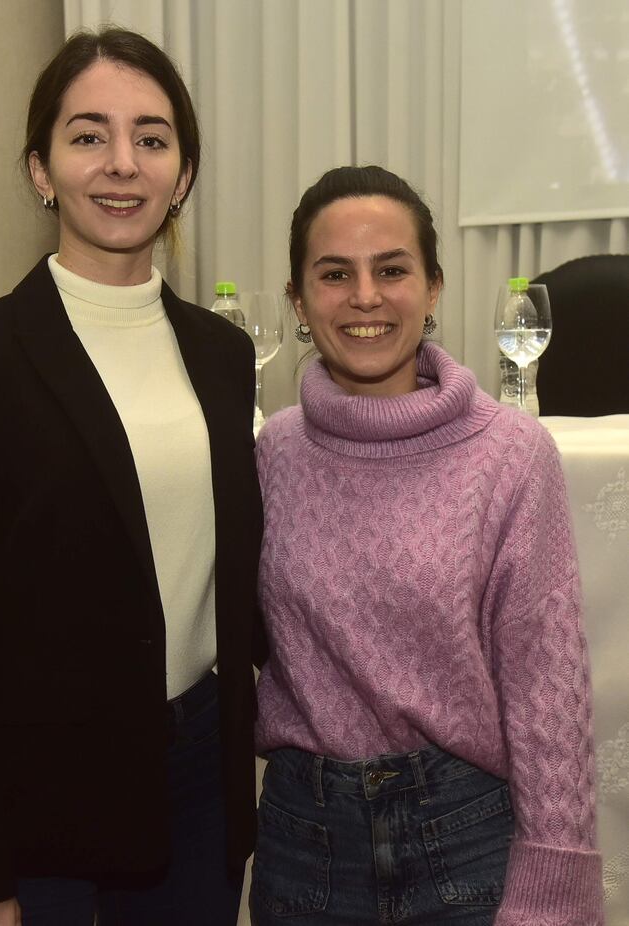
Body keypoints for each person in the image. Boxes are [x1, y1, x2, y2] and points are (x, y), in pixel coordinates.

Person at [0, 27, 262, 926]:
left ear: (182, 174)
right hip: (40, 806)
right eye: (88, 134)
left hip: (196, 781)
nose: (121, 164)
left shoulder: (221, 355)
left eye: (151, 138)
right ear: (41, 168)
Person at [249, 165, 603, 925]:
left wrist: (556, 881)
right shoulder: (271, 452)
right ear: (298, 300)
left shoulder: (508, 454)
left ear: (435, 288)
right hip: (303, 842)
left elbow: (547, 686)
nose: (366, 297)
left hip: (466, 836)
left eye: (393, 270)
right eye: (335, 273)